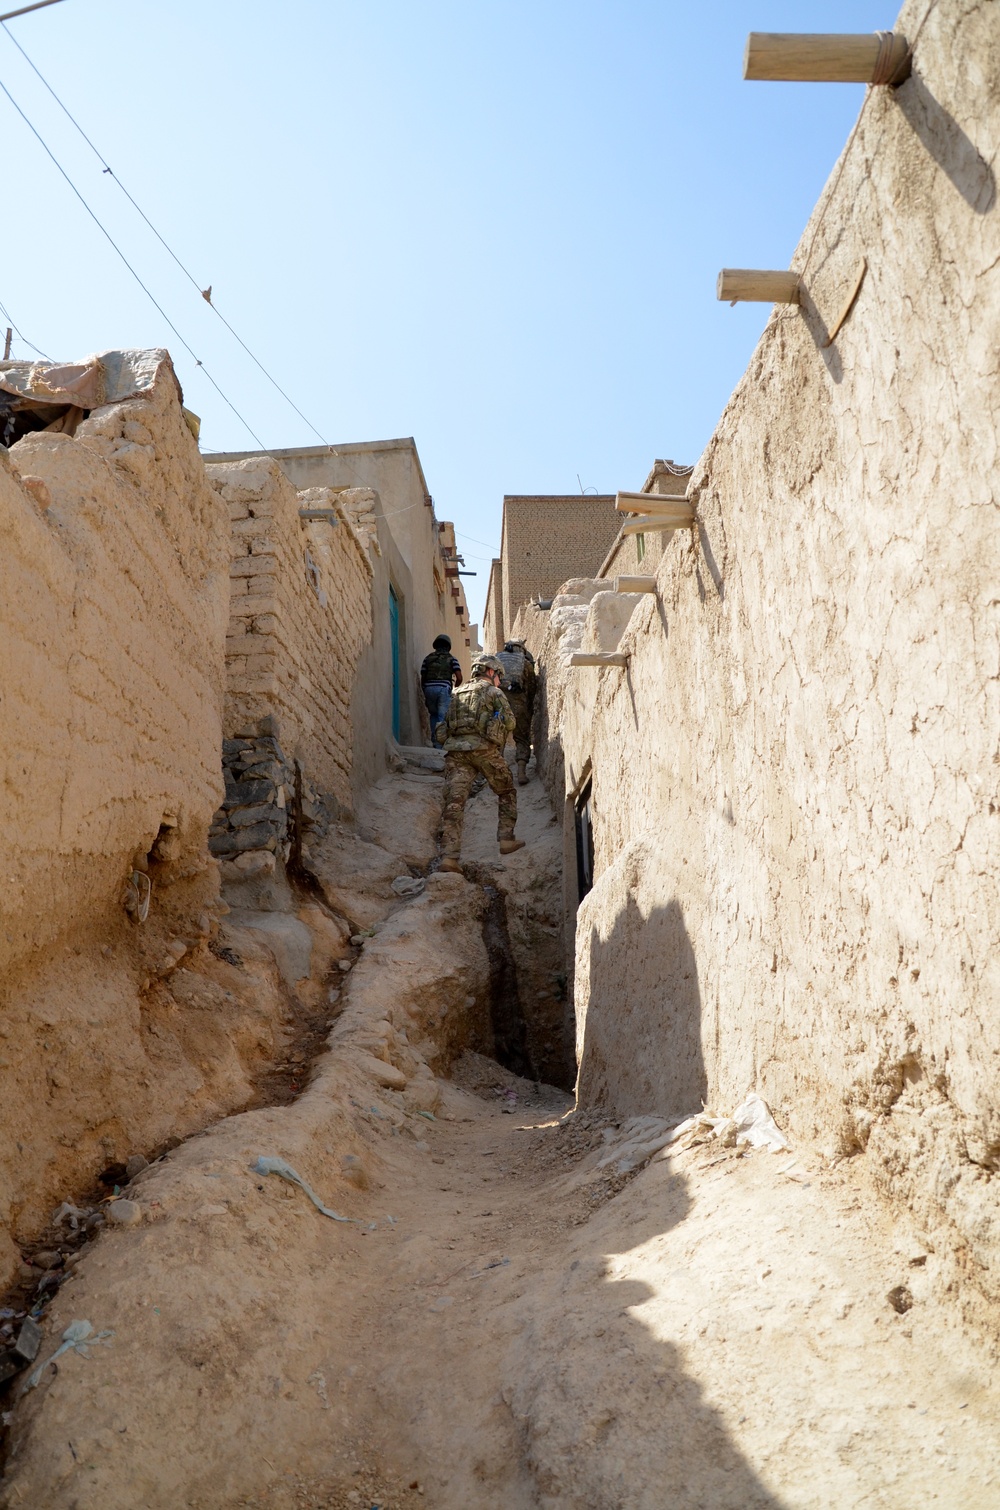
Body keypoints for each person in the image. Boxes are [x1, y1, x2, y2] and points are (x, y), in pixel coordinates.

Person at [437, 656, 525, 871]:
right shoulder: (494, 692)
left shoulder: (456, 692)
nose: (499, 681)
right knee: (506, 791)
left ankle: (449, 858)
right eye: (499, 676)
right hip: (484, 750)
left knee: (454, 803)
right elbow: (511, 721)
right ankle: (506, 840)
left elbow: (446, 724)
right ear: (491, 672)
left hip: (456, 753)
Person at [495, 638, 537, 785]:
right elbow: (532, 687)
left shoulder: (495, 661)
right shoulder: (525, 663)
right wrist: (529, 707)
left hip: (498, 706)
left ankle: (498, 775)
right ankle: (521, 773)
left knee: (498, 738)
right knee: (522, 738)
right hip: (519, 706)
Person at [420, 633, 462, 748]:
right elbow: (459, 677)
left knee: (433, 715)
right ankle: (440, 744)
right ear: (448, 646)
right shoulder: (452, 659)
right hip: (444, 689)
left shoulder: (428, 658)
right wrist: (455, 688)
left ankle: (434, 742)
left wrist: (424, 689)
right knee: (442, 717)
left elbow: (423, 676)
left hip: (428, 689)